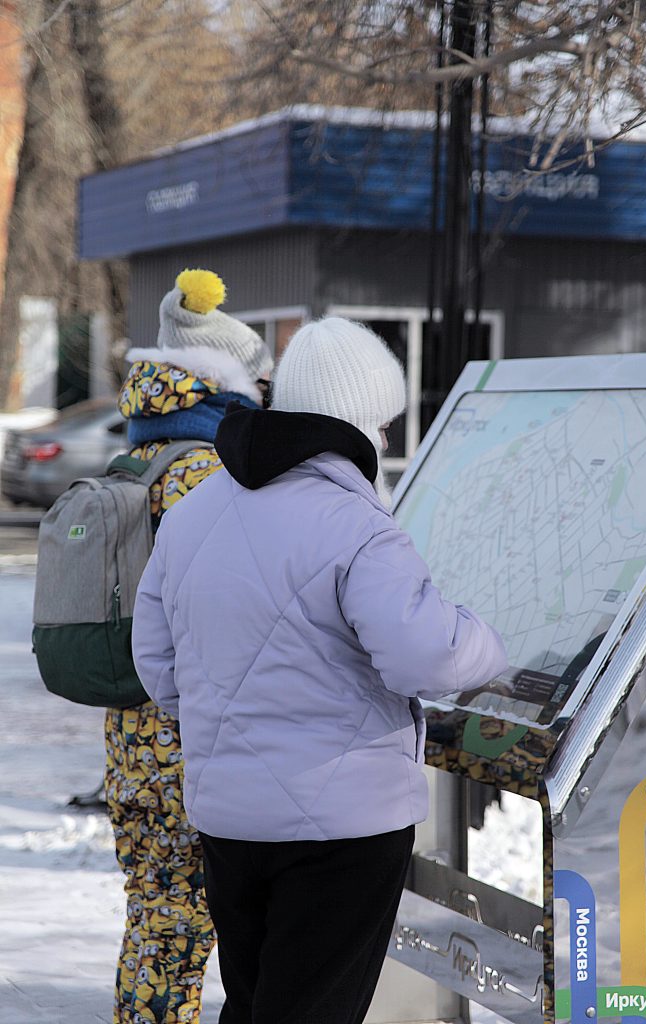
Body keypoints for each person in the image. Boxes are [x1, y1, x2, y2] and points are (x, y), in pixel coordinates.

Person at [132, 316, 507, 1024]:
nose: (389, 441)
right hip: (341, 831)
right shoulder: (357, 525)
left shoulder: (195, 512)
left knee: (255, 1004)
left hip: (229, 822)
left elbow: (158, 668)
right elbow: (424, 655)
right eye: (385, 424)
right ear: (356, 422)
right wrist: (493, 643)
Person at [105, 268, 273, 1024]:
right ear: (226, 383)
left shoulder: (135, 459)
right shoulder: (210, 476)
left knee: (153, 914)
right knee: (181, 918)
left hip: (128, 729)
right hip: (184, 729)